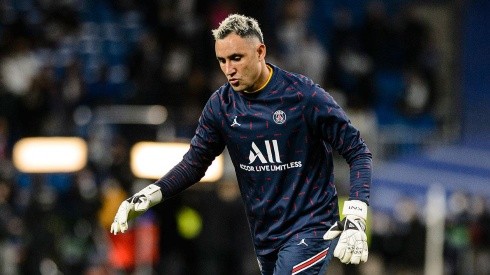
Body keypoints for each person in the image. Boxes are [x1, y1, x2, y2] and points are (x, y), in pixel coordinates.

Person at [111, 14, 372, 275]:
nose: (228, 69)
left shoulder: (303, 96)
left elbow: (358, 151)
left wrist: (357, 215)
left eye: (236, 58)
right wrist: (149, 195)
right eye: (222, 61)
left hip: (312, 226)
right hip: (265, 234)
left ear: (260, 52)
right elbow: (194, 163)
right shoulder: (220, 106)